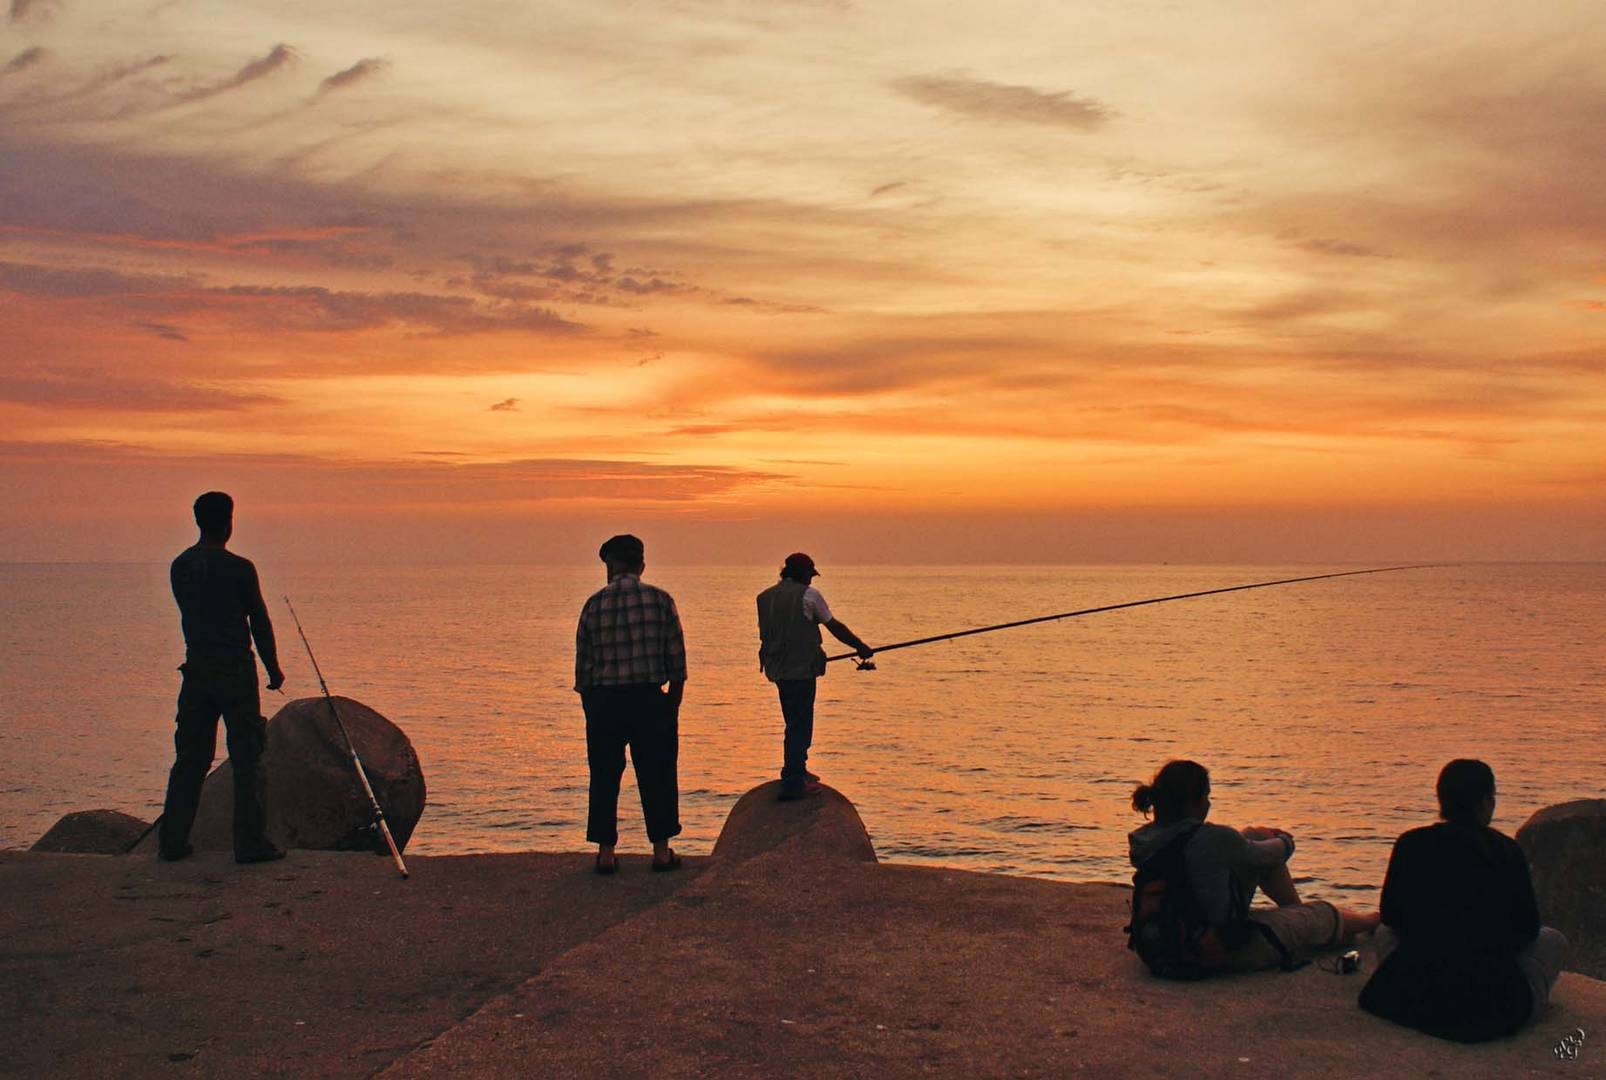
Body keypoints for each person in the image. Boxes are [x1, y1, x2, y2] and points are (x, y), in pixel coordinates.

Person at [1359, 759, 1569, 1042]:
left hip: (1411, 996)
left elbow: (1392, 916)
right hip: (1491, 1008)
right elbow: (1527, 929)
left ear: (1441, 800)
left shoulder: (1411, 844)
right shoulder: (1506, 851)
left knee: (1384, 932)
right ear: (1484, 803)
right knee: (1552, 940)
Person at [1126, 759, 1378, 976]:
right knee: (1322, 914)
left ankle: (1297, 915)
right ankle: (1375, 920)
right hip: (1213, 948)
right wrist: (1283, 838)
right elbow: (1272, 853)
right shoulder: (1211, 838)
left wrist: (1259, 837)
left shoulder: (1145, 839)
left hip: (1160, 945)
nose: (1209, 804)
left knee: (1253, 836)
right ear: (1192, 804)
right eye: (1206, 797)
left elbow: (1233, 850)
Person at [159, 491, 286, 864]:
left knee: (190, 759)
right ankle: (249, 844)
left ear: (198, 521)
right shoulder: (240, 568)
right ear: (229, 522)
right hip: (234, 672)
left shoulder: (180, 566)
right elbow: (258, 621)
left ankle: (172, 841)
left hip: (197, 671)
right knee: (247, 758)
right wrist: (273, 668)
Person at [574, 534, 686, 874]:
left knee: (605, 776)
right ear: (641, 565)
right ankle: (661, 852)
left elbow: (584, 670)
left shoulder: (593, 605)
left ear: (611, 566)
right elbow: (677, 664)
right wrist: (671, 707)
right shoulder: (661, 600)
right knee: (658, 775)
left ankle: (606, 853)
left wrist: (592, 709)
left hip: (605, 701)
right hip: (649, 698)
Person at [756, 553, 873, 801]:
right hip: (800, 670)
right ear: (802, 574)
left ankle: (797, 770)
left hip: (777, 669)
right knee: (800, 724)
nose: (811, 580)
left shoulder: (765, 598)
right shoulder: (809, 596)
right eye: (810, 575)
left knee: (793, 720)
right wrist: (860, 646)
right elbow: (834, 626)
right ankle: (794, 781)